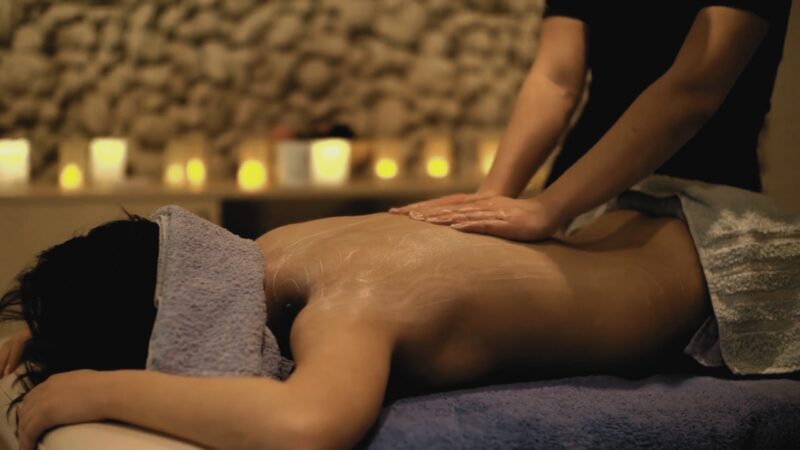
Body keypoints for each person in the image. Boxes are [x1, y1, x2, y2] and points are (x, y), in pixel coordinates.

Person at [0, 207, 709, 450]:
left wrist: (95, 389)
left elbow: (307, 426)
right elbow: (164, 286)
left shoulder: (347, 306)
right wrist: (56, 328)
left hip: (720, 279)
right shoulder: (276, 247)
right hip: (657, 222)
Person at [391, 0, 792, 241]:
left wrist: (551, 207)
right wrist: (490, 198)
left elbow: (693, 90)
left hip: (696, 195)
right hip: (574, 188)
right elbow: (555, 80)